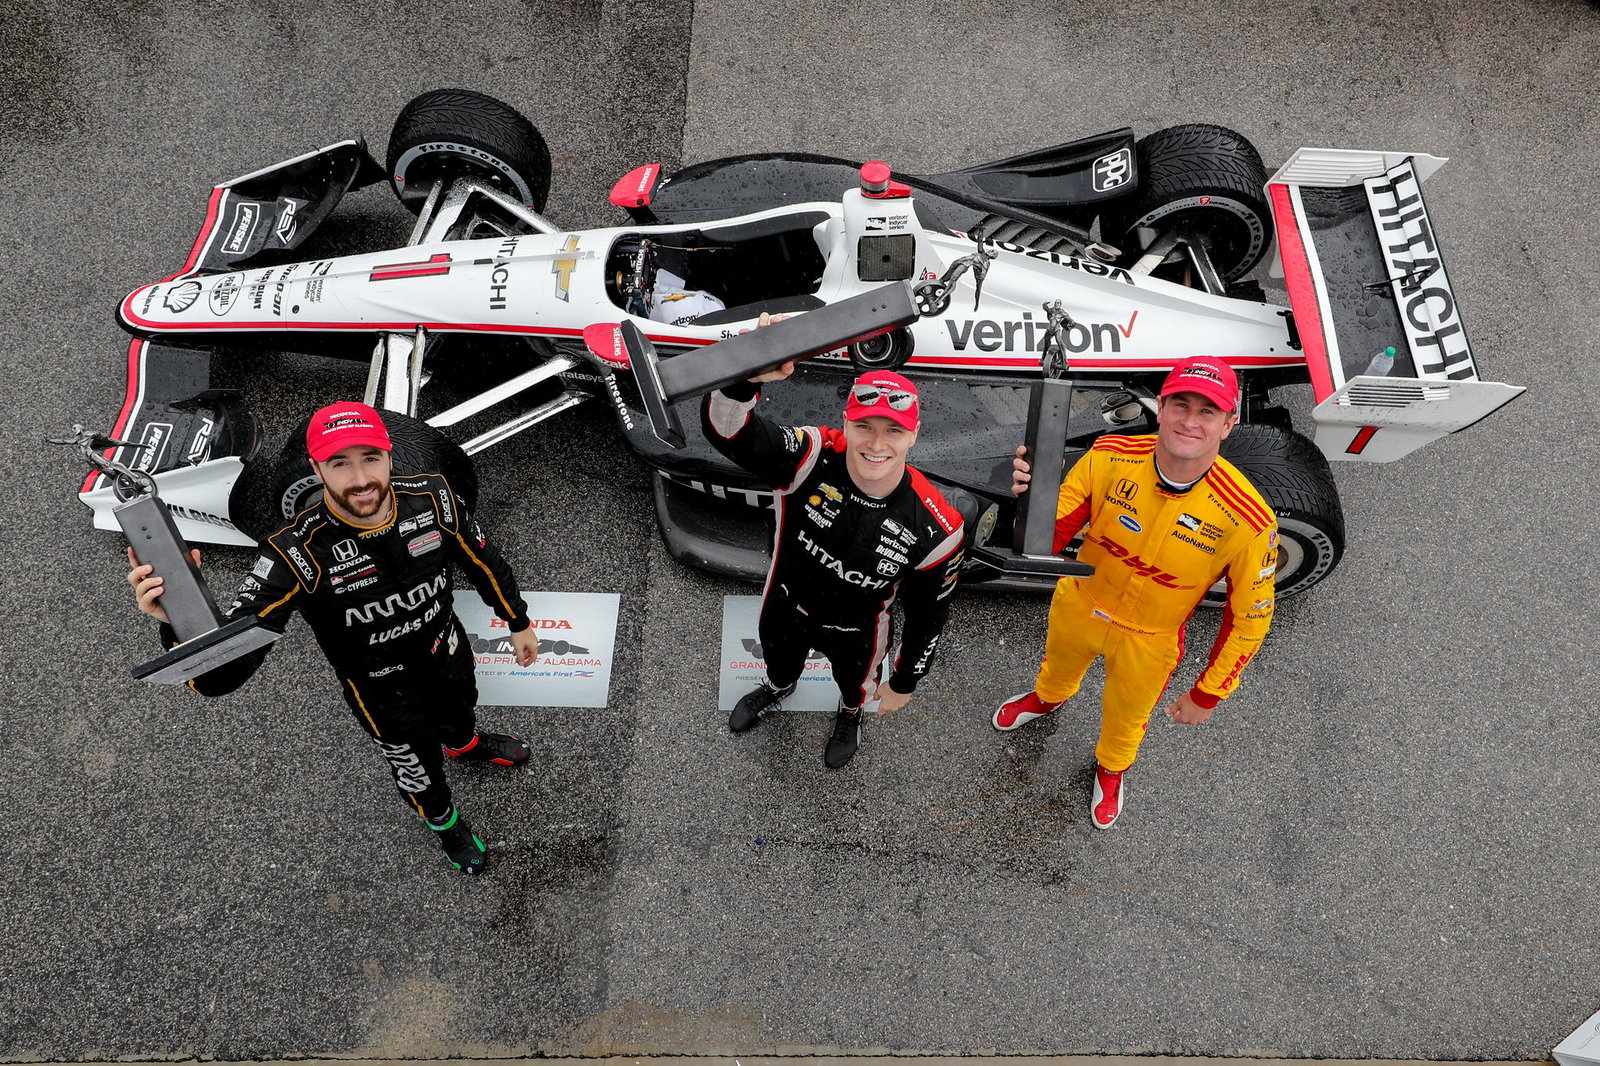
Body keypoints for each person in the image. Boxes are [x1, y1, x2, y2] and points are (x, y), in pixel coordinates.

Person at [127, 402, 540, 876]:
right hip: (384, 696)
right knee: (420, 777)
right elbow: (220, 680)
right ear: (317, 469)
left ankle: (464, 744)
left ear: (389, 456)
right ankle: (447, 827)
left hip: (447, 651)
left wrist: (517, 621)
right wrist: (176, 620)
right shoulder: (292, 554)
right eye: (339, 463)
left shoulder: (435, 498)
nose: (360, 478)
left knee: (461, 708)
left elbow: (484, 560)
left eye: (369, 458)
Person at [995, 357, 1277, 829]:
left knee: (1127, 719)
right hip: (1081, 602)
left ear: (1229, 424)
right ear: (1161, 407)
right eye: (1181, 405)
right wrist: (1026, 498)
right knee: (1057, 667)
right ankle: (1046, 699)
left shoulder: (1250, 519)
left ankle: (1111, 768)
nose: (1190, 421)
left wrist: (1209, 692)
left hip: (1151, 639)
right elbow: (1046, 539)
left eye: (1207, 412)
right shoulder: (1108, 456)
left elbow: (1251, 618)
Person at [703, 364, 966, 768]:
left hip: (859, 629)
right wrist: (745, 374)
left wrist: (906, 679)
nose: (877, 444)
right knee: (779, 661)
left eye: (893, 430)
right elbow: (727, 431)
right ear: (846, 422)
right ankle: (776, 687)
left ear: (913, 435)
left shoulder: (937, 526)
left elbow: (929, 615)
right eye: (865, 426)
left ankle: (849, 714)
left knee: (855, 685)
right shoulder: (810, 455)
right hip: (786, 603)